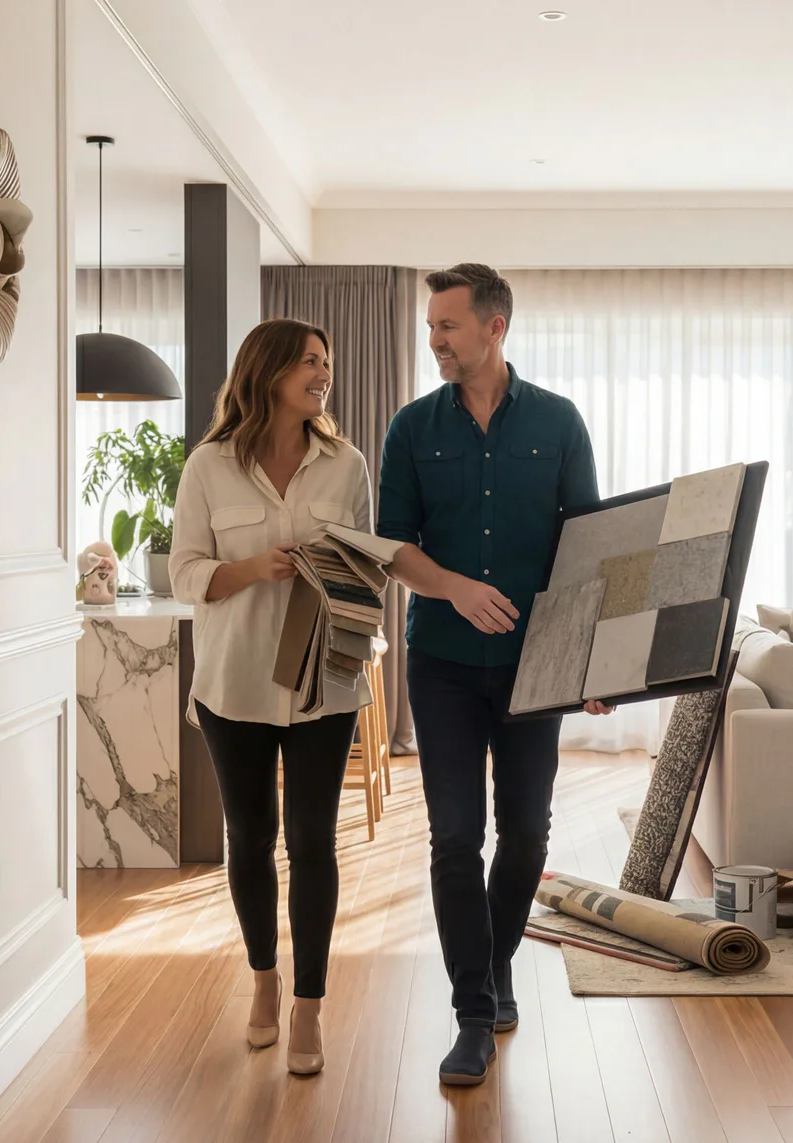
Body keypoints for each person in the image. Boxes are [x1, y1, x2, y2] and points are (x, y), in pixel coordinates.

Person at [377, 263, 609, 1086]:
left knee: (528, 835)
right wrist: (456, 586)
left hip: (534, 665)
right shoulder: (411, 428)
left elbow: (586, 551)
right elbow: (394, 545)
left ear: (493, 327)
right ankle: (473, 1009)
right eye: (431, 326)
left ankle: (496, 956)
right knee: (452, 837)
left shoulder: (558, 422)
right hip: (439, 661)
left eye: (447, 325)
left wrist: (591, 658)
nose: (434, 340)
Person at [168, 318, 374, 1078]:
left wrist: (344, 581)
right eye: (310, 361)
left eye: (327, 360)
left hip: (324, 684)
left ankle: (310, 1006)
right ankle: (264, 981)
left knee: (313, 842)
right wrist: (254, 567)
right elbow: (184, 572)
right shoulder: (208, 467)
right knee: (250, 839)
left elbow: (364, 571)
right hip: (235, 683)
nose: (324, 372)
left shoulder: (346, 463)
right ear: (271, 369)